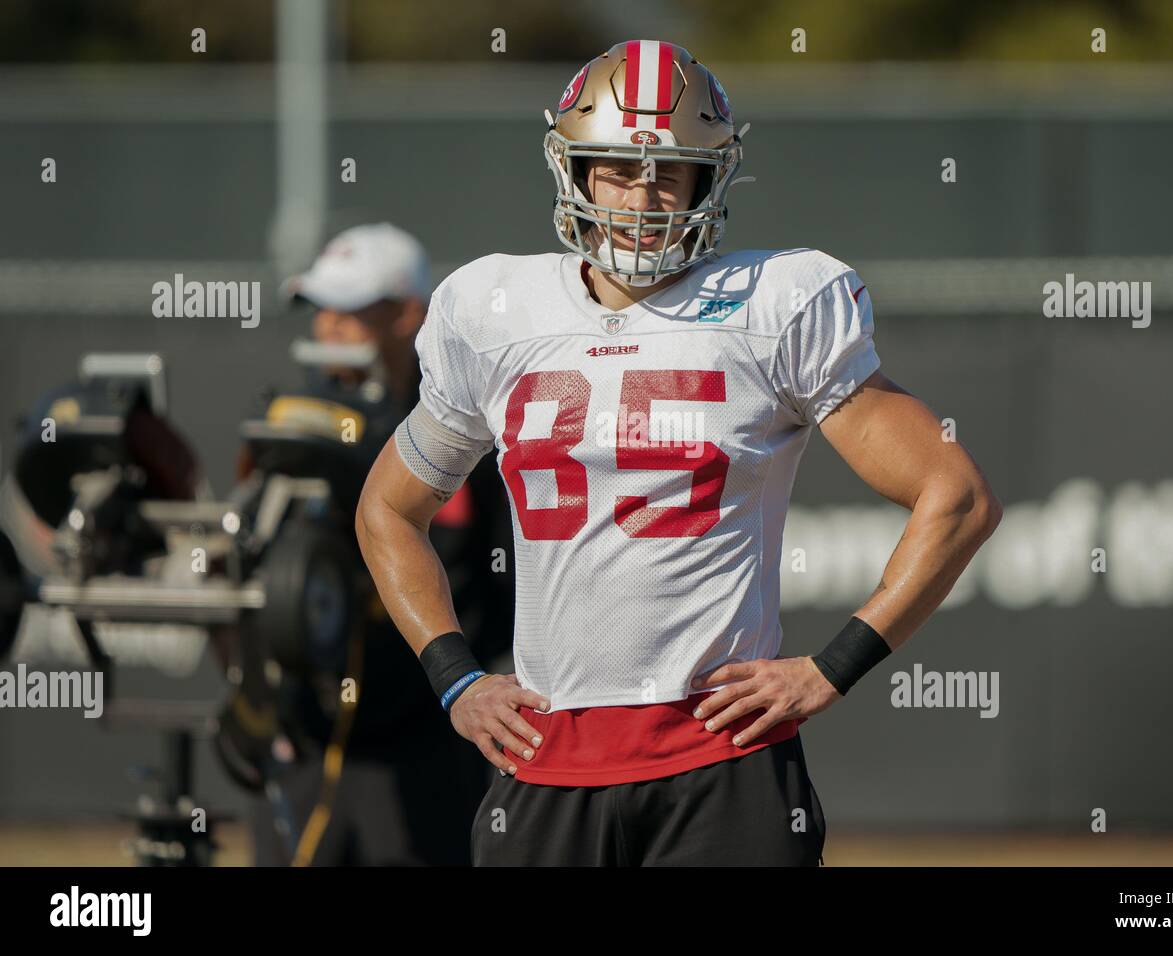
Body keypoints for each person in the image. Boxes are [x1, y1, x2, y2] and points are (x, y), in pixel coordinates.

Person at [355, 41, 1002, 866]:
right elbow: (387, 510)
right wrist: (456, 678)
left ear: (710, 178)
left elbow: (957, 498)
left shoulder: (777, 303)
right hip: (544, 758)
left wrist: (829, 669)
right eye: (619, 168)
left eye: (672, 172)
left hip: (718, 761)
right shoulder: (493, 309)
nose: (645, 197)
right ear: (576, 171)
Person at [249, 223, 514, 865]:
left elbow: (505, 579)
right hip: (309, 743)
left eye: (351, 310)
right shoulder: (283, 424)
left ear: (407, 315)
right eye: (321, 309)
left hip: (430, 741)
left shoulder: (464, 429)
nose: (330, 327)